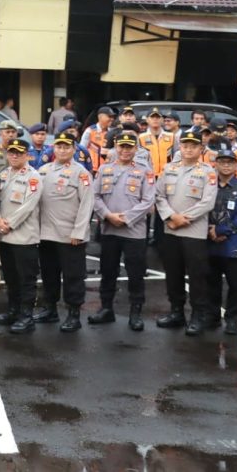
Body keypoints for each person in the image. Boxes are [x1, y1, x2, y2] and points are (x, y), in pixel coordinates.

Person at [155, 127, 219, 335]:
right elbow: (159, 196)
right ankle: (176, 312)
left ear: (201, 148)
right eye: (185, 145)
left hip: (193, 232)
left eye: (193, 146)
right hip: (170, 230)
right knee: (173, 275)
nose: (189, 149)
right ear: (180, 147)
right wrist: (171, 217)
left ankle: (198, 316)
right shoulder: (169, 169)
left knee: (197, 276)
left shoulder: (208, 171)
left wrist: (182, 219)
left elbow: (208, 202)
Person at [89, 132, 155, 330]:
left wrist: (125, 218)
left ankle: (135, 312)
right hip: (109, 229)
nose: (125, 150)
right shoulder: (104, 169)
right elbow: (95, 196)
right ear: (116, 148)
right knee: (108, 271)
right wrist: (108, 216)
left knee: (135, 273)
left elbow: (148, 201)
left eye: (129, 147)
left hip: (134, 231)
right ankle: (106, 308)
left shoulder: (145, 171)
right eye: (122, 147)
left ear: (136, 149)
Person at [35, 131, 95, 333]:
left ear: (73, 150)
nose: (62, 150)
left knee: (73, 276)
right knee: (49, 273)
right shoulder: (43, 170)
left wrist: (79, 231)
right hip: (45, 233)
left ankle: (73, 313)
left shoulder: (81, 173)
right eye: (58, 147)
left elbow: (87, 204)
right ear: (54, 149)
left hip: (70, 235)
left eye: (66, 147)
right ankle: (50, 309)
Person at [0, 138, 44, 334]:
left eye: (18, 153)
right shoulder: (3, 174)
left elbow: (29, 206)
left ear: (27, 155)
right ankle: (13, 311)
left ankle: (26, 316)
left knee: (26, 279)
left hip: (24, 237)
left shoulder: (33, 177)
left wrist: (9, 223)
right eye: (11, 152)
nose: (14, 155)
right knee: (11, 277)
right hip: (5, 236)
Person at [207, 141, 237, 335]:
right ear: (215, 164)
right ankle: (213, 316)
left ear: (236, 165)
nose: (226, 165)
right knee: (211, 282)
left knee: (235, 284)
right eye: (222, 161)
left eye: (230, 162)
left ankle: (232, 319)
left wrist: (222, 230)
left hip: (235, 244)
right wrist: (210, 230)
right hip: (210, 241)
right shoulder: (209, 184)